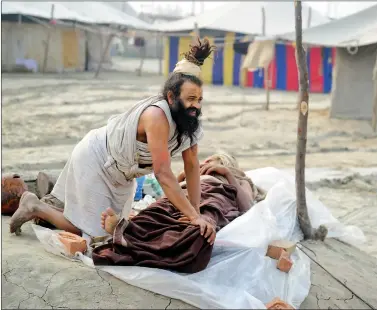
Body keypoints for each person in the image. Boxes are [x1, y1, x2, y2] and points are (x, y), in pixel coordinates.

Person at [9, 37, 217, 241]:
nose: (196, 106)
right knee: (97, 236)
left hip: (122, 176)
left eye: (199, 100)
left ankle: (51, 210)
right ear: (171, 97)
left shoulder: (190, 119)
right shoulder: (157, 116)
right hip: (97, 159)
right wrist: (194, 216)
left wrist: (195, 212)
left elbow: (191, 165)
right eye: (190, 99)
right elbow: (163, 172)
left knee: (116, 228)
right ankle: (35, 206)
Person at [93, 152, 266, 273]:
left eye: (214, 162)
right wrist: (183, 177)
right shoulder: (192, 174)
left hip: (212, 194)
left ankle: (137, 239)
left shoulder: (237, 179)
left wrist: (227, 174)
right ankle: (126, 229)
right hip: (180, 196)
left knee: (201, 230)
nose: (207, 165)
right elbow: (165, 192)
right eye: (206, 161)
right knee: (156, 214)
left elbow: (248, 207)